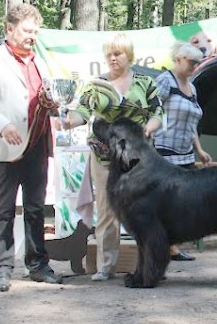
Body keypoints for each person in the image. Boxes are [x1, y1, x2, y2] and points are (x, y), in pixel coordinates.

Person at [0, 3, 62, 292]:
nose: (33, 36)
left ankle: (38, 265)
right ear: (10, 29)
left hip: (38, 145)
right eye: (27, 30)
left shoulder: (41, 62)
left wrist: (52, 102)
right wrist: (2, 125)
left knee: (36, 209)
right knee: (4, 210)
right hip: (6, 146)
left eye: (36, 31)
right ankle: (2, 268)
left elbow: (46, 98)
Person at [62, 33, 163, 281]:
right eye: (108, 54)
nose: (112, 58)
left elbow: (158, 111)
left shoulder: (145, 83)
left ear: (129, 55)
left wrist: (150, 127)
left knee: (144, 209)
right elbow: (82, 112)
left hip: (139, 157)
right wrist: (67, 121)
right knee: (107, 210)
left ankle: (150, 264)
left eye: (117, 53)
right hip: (105, 157)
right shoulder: (95, 85)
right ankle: (106, 265)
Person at [148, 41, 212, 262]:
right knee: (166, 202)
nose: (194, 67)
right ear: (178, 59)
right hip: (164, 151)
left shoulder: (192, 87)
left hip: (185, 152)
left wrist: (200, 150)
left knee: (181, 202)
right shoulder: (165, 81)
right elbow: (153, 110)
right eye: (191, 62)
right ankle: (168, 247)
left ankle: (170, 244)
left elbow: (191, 122)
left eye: (197, 63)